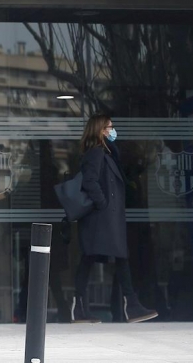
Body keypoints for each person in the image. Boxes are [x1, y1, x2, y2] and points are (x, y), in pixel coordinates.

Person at [71, 113, 158, 324]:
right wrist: (103, 203)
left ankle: (125, 305)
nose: (113, 130)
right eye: (109, 127)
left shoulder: (107, 153)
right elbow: (90, 181)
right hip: (101, 218)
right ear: (100, 131)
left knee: (107, 257)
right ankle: (126, 305)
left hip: (107, 218)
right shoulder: (96, 153)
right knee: (103, 257)